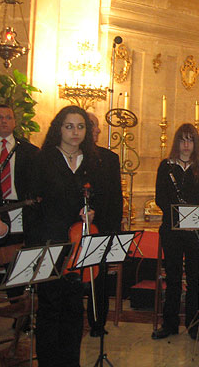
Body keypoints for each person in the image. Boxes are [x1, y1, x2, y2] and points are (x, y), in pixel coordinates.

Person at [23, 105, 104, 367]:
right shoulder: (43, 159)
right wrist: (35, 248)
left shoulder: (92, 161)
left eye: (80, 127)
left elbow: (100, 200)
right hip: (49, 242)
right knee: (49, 309)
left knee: (73, 309)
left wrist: (93, 213)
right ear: (59, 128)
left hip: (78, 244)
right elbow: (31, 205)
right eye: (69, 126)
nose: (75, 132)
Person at [152, 124, 199, 341]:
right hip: (172, 230)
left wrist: (193, 220)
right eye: (182, 140)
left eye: (190, 140)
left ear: (195, 143)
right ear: (176, 142)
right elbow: (161, 198)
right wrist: (181, 218)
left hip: (196, 231)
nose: (186, 145)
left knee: (195, 278)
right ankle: (169, 324)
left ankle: (194, 325)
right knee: (173, 277)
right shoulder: (166, 167)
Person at [0, 104, 38, 301]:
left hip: (19, 211)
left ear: (14, 122)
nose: (4, 121)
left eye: (8, 117)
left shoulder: (29, 150)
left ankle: (19, 314)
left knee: (17, 266)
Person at [85, 112, 123, 337]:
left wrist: (114, 231)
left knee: (99, 280)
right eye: (92, 126)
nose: (97, 130)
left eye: (95, 126)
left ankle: (98, 323)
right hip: (74, 227)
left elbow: (116, 197)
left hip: (103, 227)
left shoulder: (109, 158)